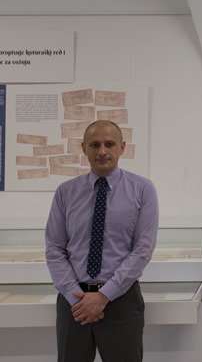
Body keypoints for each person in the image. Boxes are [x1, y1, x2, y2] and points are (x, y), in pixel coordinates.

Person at [45, 120, 159, 362]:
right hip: (74, 302)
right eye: (95, 145)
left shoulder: (143, 189)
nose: (102, 151)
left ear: (122, 147)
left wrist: (104, 295)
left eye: (110, 144)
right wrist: (75, 295)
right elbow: (54, 249)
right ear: (84, 148)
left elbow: (143, 249)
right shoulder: (65, 192)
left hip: (120, 300)